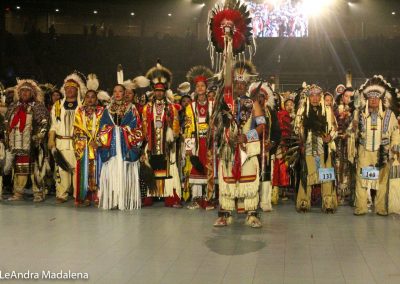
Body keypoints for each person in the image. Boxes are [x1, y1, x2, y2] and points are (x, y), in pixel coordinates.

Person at [213, 61, 265, 227]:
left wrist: (247, 137)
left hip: (247, 149)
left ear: (247, 85)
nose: (241, 86)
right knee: (227, 181)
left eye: (244, 83)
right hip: (228, 148)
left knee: (248, 181)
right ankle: (225, 214)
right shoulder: (224, 104)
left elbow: (262, 125)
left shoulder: (254, 103)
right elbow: (216, 124)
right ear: (232, 84)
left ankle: (251, 214)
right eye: (237, 83)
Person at [352, 76, 400, 216]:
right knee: (361, 181)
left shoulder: (389, 115)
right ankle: (361, 207)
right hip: (364, 152)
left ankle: (380, 208)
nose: (373, 100)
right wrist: (353, 129)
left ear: (380, 100)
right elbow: (350, 132)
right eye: (370, 98)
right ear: (366, 100)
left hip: (383, 152)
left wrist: (395, 145)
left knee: (382, 181)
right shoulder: (359, 114)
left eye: (376, 98)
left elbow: (396, 131)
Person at [97, 83, 143, 210]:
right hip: (111, 146)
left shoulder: (131, 108)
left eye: (120, 91)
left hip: (125, 146)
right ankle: (113, 200)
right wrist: (112, 130)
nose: (117, 94)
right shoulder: (107, 109)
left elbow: (137, 127)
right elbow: (102, 127)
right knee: (112, 171)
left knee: (124, 171)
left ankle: (125, 199)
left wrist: (123, 130)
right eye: (115, 91)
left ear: (124, 93)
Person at [142, 61, 182, 207]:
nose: (158, 93)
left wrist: (172, 134)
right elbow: (144, 125)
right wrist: (146, 141)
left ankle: (170, 197)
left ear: (164, 91)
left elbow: (176, 124)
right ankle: (152, 195)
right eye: (156, 90)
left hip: (167, 143)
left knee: (169, 167)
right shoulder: (147, 107)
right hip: (152, 143)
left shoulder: (171, 108)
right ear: (153, 91)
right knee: (152, 167)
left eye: (161, 90)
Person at [295, 84, 338, 213]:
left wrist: (330, 137)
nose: (314, 98)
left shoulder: (328, 110)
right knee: (306, 175)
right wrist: (301, 134)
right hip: (308, 147)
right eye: (312, 95)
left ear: (321, 96)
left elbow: (335, 127)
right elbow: (297, 127)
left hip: (324, 149)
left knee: (326, 176)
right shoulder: (302, 110)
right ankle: (303, 202)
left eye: (317, 95)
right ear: (308, 97)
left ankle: (328, 203)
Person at [5, 79, 50, 202]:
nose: (24, 93)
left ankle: (38, 193)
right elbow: (7, 124)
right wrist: (8, 140)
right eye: (22, 91)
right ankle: (18, 193)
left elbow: (45, 124)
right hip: (18, 144)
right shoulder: (14, 107)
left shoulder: (38, 106)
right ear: (18, 93)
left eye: (27, 91)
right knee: (20, 170)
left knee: (36, 170)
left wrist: (38, 136)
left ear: (32, 93)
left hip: (34, 144)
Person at [48, 72, 87, 203]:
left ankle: (78, 194)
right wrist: (51, 139)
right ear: (64, 90)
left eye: (72, 88)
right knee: (61, 168)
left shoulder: (83, 105)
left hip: (78, 142)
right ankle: (62, 193)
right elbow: (53, 125)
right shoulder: (57, 105)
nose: (69, 90)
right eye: (67, 88)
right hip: (61, 141)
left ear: (77, 90)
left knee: (78, 169)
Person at [73, 74, 107, 207]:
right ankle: (86, 195)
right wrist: (86, 141)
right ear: (85, 98)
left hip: (97, 146)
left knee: (98, 170)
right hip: (84, 146)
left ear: (96, 99)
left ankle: (98, 195)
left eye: (93, 97)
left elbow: (105, 128)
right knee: (86, 171)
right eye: (88, 97)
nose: (90, 99)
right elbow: (76, 129)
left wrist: (98, 141)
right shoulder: (79, 112)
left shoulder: (102, 111)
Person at [183, 66, 214, 208]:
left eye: (203, 86)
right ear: (195, 89)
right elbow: (188, 127)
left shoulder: (212, 105)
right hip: (196, 142)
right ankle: (196, 199)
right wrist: (189, 147)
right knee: (196, 167)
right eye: (198, 86)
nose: (200, 88)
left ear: (206, 88)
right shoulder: (191, 106)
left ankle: (209, 198)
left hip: (209, 142)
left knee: (210, 168)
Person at [334, 87, 355, 205]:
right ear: (342, 97)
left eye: (351, 97)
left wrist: (348, 135)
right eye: (346, 96)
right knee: (338, 168)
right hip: (337, 144)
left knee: (349, 169)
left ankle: (349, 195)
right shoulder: (335, 109)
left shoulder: (356, 111)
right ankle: (337, 194)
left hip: (350, 145)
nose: (348, 99)